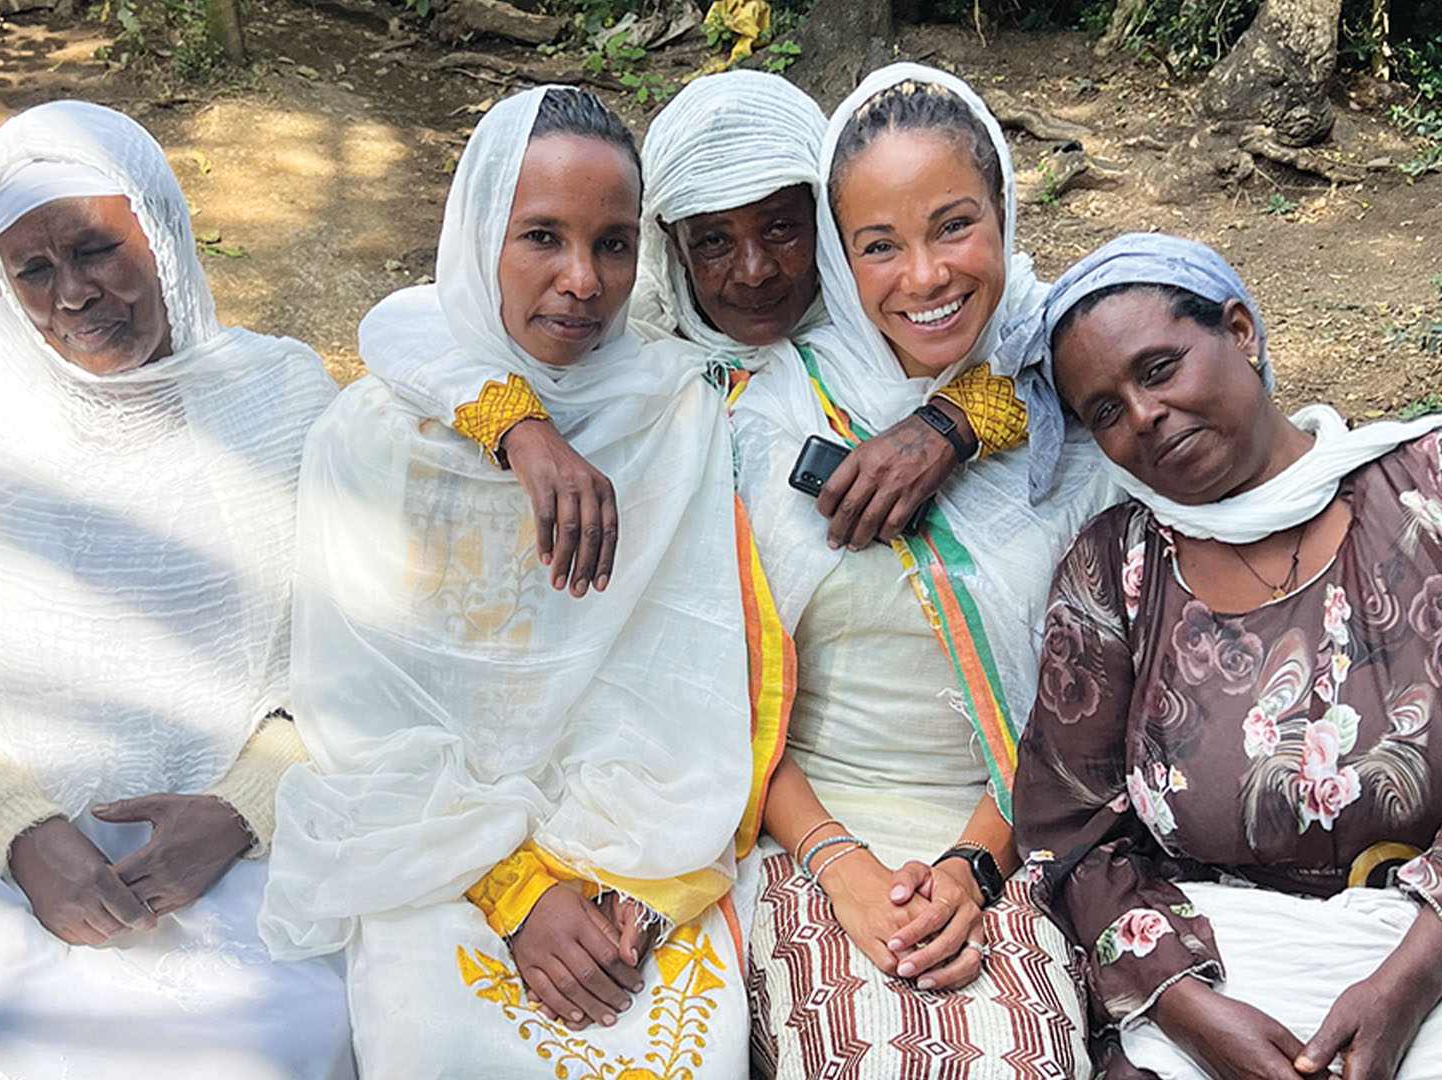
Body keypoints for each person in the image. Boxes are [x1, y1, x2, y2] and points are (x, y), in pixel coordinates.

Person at [0, 100, 352, 1080]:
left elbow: (359, 657)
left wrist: (239, 810)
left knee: (283, 1044)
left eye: (99, 248)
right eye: (32, 269)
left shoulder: (281, 401)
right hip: (4, 854)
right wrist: (25, 838)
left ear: (162, 227)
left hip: (243, 845)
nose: (73, 294)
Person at [261, 86, 786, 1078]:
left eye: (615, 244)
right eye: (540, 236)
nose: (583, 281)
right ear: (473, 239)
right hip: (430, 849)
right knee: (441, 1045)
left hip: (638, 847)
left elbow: (682, 684)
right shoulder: (376, 441)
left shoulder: (675, 415)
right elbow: (359, 717)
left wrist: (606, 885)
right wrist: (512, 887)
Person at [729, 63, 1112, 1075]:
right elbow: (726, 691)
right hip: (802, 829)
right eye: (878, 246)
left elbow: (1097, 693)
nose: (927, 276)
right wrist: (840, 865)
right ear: (841, 260)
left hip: (1022, 829)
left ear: (1007, 211)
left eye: (954, 225)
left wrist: (975, 863)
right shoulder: (771, 419)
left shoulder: (1074, 399)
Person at [1007, 232, 1442, 1080]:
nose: (1140, 417)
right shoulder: (1116, 572)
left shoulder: (1425, 492)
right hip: (1222, 974)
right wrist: (1186, 1008)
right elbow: (1071, 834)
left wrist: (1412, 976)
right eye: (1103, 410)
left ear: (1240, 331)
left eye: (1159, 368)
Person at [355, 70, 1032, 598]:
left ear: (827, 221)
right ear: (670, 248)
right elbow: (411, 323)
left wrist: (950, 422)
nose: (754, 269)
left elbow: (1051, 331)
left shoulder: (887, 319)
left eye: (782, 227)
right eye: (712, 240)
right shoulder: (643, 330)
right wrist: (522, 428)